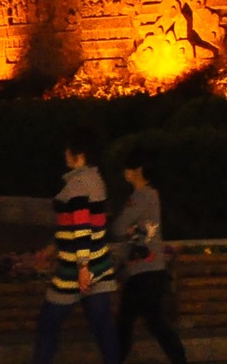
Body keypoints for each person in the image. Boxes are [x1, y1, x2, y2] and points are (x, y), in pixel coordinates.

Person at [31, 128, 119, 364]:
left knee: (47, 325)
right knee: (104, 330)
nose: (64, 154)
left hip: (74, 271)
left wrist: (82, 266)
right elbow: (89, 226)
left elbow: (82, 229)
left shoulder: (78, 185)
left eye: (68, 150)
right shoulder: (97, 181)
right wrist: (54, 247)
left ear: (78, 154)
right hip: (100, 265)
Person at [112, 154, 186, 364]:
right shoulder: (153, 195)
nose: (125, 172)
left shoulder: (139, 197)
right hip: (153, 271)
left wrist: (127, 229)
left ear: (137, 171)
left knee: (127, 324)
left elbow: (118, 227)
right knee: (154, 323)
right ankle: (180, 359)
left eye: (128, 168)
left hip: (141, 272)